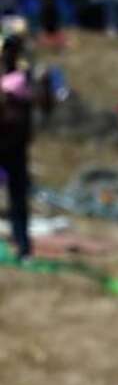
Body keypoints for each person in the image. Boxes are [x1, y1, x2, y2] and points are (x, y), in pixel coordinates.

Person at [0, 36, 33, 261]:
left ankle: (22, 245)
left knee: (18, 198)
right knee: (17, 197)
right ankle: (21, 245)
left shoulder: (21, 79)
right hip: (9, 145)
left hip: (14, 147)